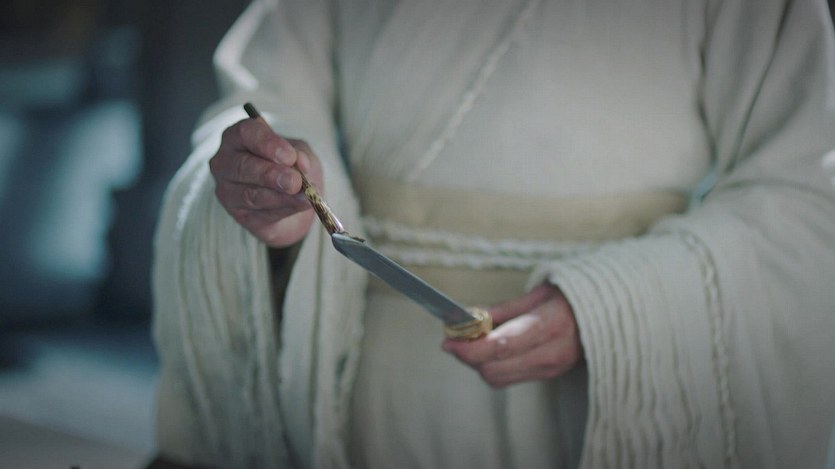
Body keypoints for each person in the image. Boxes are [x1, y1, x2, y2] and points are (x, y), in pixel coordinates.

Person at [151, 0, 835, 467]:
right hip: (370, 395)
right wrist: (273, 189)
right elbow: (264, 99)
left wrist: (617, 309)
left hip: (597, 403)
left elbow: (803, 193)